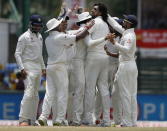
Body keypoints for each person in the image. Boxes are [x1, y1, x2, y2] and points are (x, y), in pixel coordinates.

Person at [38, 17, 94, 126]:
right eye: (60, 24)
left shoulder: (48, 39)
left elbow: (66, 43)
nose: (62, 25)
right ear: (56, 27)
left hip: (50, 66)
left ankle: (43, 117)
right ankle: (59, 119)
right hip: (60, 67)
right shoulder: (59, 37)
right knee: (62, 93)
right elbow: (79, 36)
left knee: (49, 93)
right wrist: (88, 26)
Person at [15, 14, 46, 126]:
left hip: (37, 67)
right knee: (28, 92)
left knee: (35, 94)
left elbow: (40, 55)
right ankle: (22, 119)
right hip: (27, 67)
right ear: (31, 24)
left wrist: (43, 67)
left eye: (39, 26)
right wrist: (22, 68)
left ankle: (32, 120)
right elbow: (17, 54)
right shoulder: (24, 37)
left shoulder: (40, 37)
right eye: (36, 25)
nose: (37, 28)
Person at [83, 3, 111, 127]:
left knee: (90, 89)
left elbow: (88, 43)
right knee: (104, 90)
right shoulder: (106, 24)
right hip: (104, 58)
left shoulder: (94, 22)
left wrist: (104, 38)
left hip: (93, 57)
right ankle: (106, 120)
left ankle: (88, 119)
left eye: (94, 9)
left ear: (100, 12)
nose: (92, 11)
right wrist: (105, 38)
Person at [109, 15, 138, 127]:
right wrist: (106, 14)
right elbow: (115, 25)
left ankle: (127, 122)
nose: (123, 22)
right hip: (129, 65)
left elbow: (126, 50)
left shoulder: (130, 35)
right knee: (130, 94)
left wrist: (114, 43)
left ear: (129, 23)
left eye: (125, 21)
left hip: (126, 65)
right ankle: (132, 122)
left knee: (126, 94)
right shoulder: (127, 32)